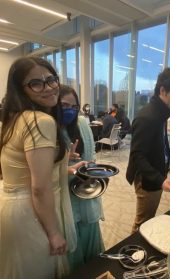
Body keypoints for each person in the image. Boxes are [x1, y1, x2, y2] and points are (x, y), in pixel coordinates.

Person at [0, 57, 77, 279]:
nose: (48, 88)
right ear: (21, 89)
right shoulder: (40, 121)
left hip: (11, 209)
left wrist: (62, 167)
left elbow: (24, 170)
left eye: (51, 79)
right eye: (36, 83)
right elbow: (39, 188)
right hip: (30, 213)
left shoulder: (16, 118)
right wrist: (54, 233)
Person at [126, 67, 170, 233]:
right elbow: (137, 156)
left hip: (156, 175)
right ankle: (132, 253)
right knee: (143, 223)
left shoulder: (161, 113)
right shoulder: (147, 117)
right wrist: (160, 180)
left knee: (148, 220)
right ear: (162, 90)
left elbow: (159, 143)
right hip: (148, 178)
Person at [60, 85, 105, 270]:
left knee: (90, 236)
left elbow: (92, 151)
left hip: (87, 190)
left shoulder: (82, 123)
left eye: (74, 106)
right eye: (64, 105)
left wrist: (92, 169)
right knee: (73, 243)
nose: (70, 110)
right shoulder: (51, 129)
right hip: (64, 196)